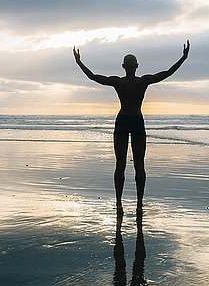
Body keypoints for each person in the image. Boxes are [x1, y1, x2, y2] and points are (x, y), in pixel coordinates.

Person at [73, 41, 190, 215]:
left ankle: (119, 203)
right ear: (137, 66)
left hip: (122, 121)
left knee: (120, 164)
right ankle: (139, 204)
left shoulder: (117, 82)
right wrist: (184, 57)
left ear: (123, 67)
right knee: (139, 164)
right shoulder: (143, 81)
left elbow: (94, 77)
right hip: (136, 121)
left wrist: (79, 62)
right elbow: (167, 73)